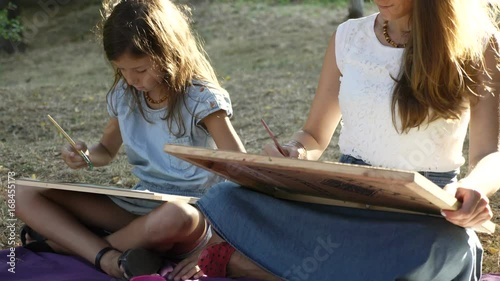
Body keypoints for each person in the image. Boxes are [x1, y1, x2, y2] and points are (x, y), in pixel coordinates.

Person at [194, 0, 500, 280]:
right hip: (345, 199)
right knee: (227, 199)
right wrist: (295, 150)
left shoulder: (479, 43)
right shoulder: (349, 37)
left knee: (447, 245)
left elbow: (490, 155)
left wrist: (473, 188)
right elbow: (313, 135)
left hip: (422, 212)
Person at [15, 0, 245, 280]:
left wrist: (214, 246)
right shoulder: (125, 95)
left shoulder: (202, 99)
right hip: (136, 205)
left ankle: (68, 247)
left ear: (168, 52)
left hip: (191, 216)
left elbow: (240, 171)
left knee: (174, 215)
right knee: (20, 192)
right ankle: (113, 255)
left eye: (140, 69)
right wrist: (85, 156)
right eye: (121, 69)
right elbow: (105, 150)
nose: (131, 79)